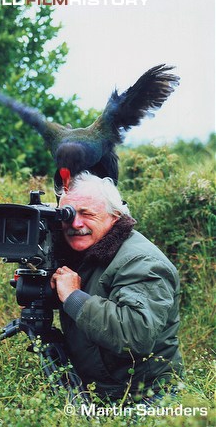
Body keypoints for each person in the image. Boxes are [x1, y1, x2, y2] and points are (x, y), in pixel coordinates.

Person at [50, 172, 183, 402]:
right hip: (102, 391)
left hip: (144, 397)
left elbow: (134, 335)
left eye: (87, 214)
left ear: (115, 216)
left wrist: (72, 296)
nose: (75, 223)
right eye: (68, 214)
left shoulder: (142, 262)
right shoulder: (83, 253)